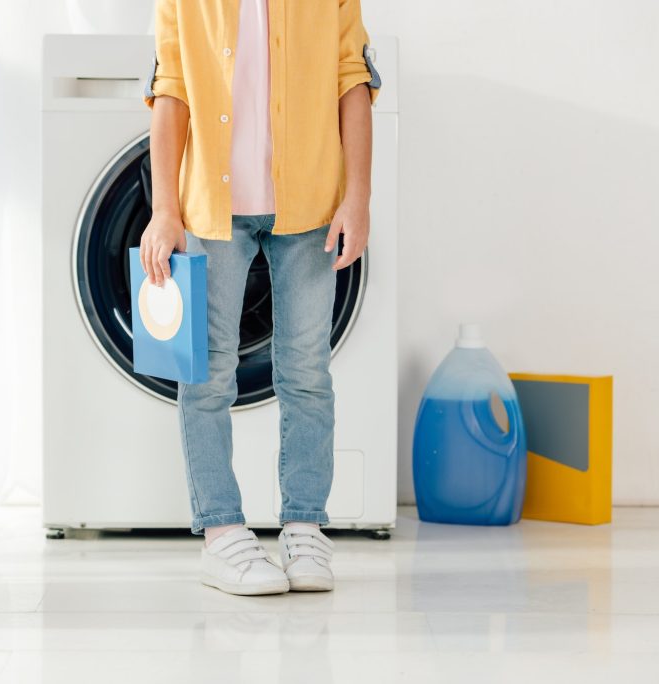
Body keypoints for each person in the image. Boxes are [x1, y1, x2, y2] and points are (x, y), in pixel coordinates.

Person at [140, 0, 381, 596]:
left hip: (312, 207)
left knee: (306, 372)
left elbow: (352, 82)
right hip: (210, 213)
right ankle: (221, 534)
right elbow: (170, 92)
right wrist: (164, 211)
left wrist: (359, 199)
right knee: (208, 375)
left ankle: (304, 526)